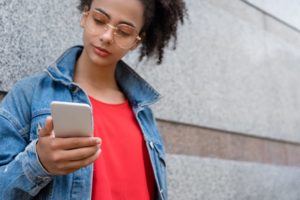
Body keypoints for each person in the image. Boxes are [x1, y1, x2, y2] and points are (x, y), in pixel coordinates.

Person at [0, 0, 186, 199]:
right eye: (99, 20)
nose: (106, 37)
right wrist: (38, 163)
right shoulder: (29, 94)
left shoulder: (144, 114)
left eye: (123, 32)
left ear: (136, 41)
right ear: (85, 16)